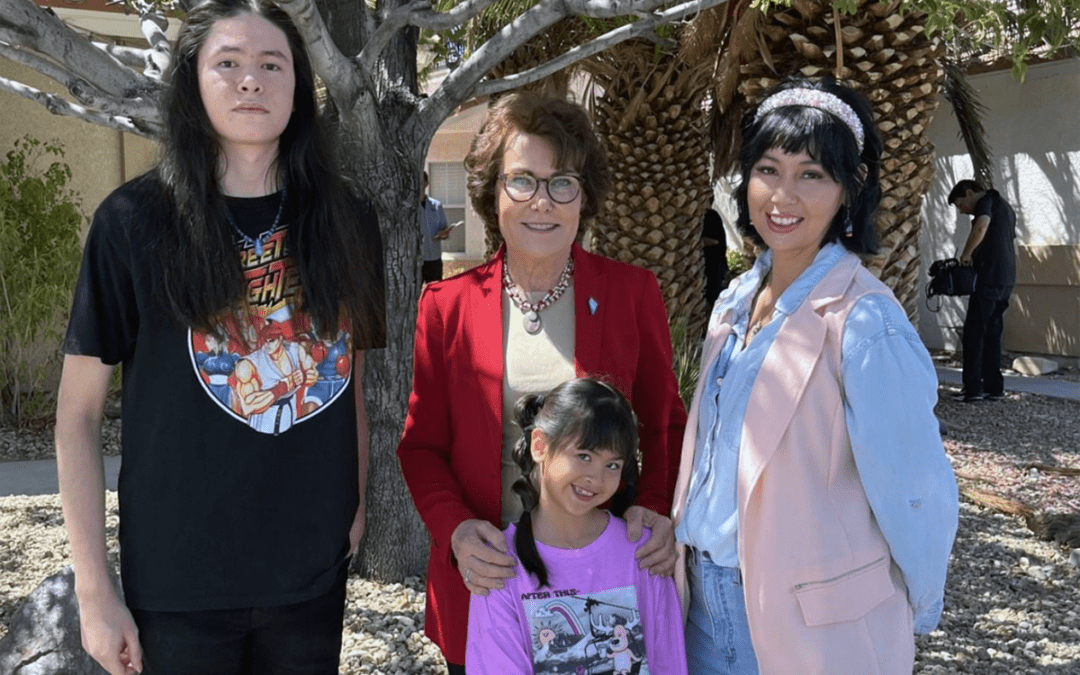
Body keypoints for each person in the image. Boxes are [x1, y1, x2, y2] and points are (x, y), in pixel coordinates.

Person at [53, 0, 386, 673]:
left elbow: (349, 375)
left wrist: (355, 502)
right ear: (192, 81)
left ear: (299, 86)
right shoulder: (131, 222)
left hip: (311, 575)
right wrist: (94, 589)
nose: (251, 81)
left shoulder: (350, 220)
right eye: (227, 63)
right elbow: (77, 415)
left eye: (272, 64)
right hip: (177, 583)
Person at [671, 77, 959, 675]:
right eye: (768, 169)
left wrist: (915, 605)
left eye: (812, 175)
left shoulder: (864, 322)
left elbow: (915, 492)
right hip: (698, 606)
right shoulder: (733, 302)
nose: (783, 195)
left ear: (848, 192)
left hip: (811, 625)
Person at [396, 91, 687, 673]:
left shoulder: (632, 294)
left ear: (584, 196)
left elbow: (664, 425)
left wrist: (653, 507)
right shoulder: (445, 307)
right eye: (522, 181)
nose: (542, 203)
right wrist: (455, 532)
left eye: (562, 184)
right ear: (492, 192)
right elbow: (421, 447)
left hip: (603, 587)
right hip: (490, 582)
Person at [466, 379, 688, 674]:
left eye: (612, 465)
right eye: (584, 456)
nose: (596, 478)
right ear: (540, 446)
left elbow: (668, 661)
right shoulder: (498, 565)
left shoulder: (644, 552)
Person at [947, 179, 1017, 402]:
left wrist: (966, 254)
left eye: (960, 204)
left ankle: (973, 389)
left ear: (969, 193)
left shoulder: (985, 202)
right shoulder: (1005, 206)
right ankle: (994, 388)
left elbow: (981, 226)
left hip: (988, 276)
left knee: (975, 333)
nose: (961, 211)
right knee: (993, 332)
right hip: (1006, 277)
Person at [421, 170, 452, 282]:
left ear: (426, 184)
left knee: (436, 295)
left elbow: (444, 230)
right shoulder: (410, 208)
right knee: (415, 298)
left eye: (421, 181)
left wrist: (444, 234)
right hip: (416, 261)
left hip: (434, 259)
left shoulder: (436, 205)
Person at [702, 207, 729, 307]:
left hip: (715, 264)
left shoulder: (711, 217)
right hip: (705, 264)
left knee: (714, 297)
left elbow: (715, 241)